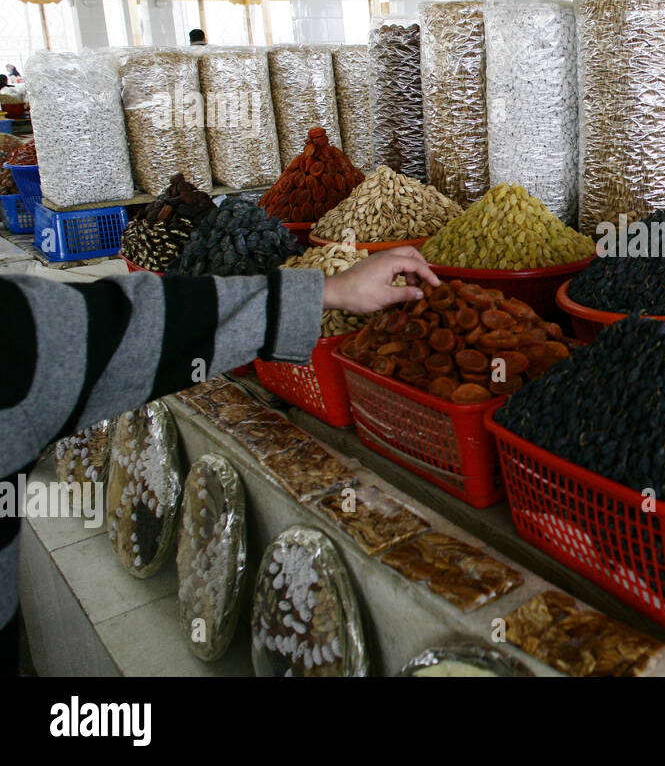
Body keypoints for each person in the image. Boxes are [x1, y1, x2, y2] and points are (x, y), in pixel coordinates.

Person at [0, 247, 440, 673]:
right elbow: (126, 329)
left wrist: (327, 292)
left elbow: (126, 327)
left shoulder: (18, 337)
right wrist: (328, 292)